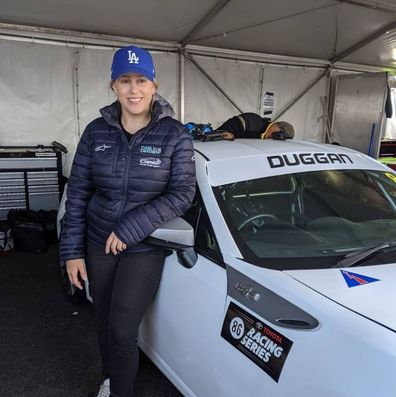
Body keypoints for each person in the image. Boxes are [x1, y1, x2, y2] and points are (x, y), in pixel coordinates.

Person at [60, 45, 196, 397]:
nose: (133, 90)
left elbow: (182, 194)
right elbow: (77, 194)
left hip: (144, 245)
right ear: (113, 86)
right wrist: (71, 252)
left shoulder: (175, 135)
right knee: (103, 321)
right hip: (97, 240)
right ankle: (110, 379)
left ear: (154, 85)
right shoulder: (96, 132)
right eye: (125, 81)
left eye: (141, 80)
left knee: (122, 330)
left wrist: (130, 227)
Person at [216, 112, 294, 140]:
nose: (274, 136)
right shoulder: (254, 121)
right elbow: (229, 127)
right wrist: (231, 134)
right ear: (275, 124)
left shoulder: (270, 143)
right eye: (278, 133)